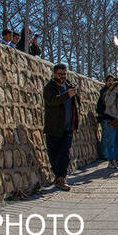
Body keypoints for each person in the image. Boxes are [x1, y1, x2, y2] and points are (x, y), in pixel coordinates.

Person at [43, 63, 79, 191]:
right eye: (60, 74)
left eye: (64, 74)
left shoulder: (69, 86)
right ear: (54, 74)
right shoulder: (50, 88)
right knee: (54, 154)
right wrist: (67, 95)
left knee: (65, 153)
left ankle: (61, 178)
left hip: (68, 127)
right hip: (54, 127)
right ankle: (58, 176)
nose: (63, 76)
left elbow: (75, 106)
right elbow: (52, 101)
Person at [97, 76, 118, 168]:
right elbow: (108, 103)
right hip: (110, 119)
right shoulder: (107, 93)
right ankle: (110, 160)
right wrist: (113, 93)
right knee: (111, 141)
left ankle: (116, 159)